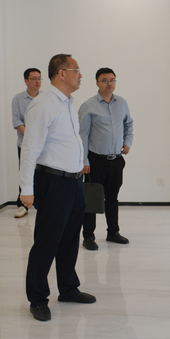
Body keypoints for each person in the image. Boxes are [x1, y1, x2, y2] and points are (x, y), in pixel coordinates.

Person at [19, 54, 95, 322]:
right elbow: (30, 149)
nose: (80, 75)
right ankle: (38, 298)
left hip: (74, 181)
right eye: (76, 70)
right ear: (61, 73)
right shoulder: (43, 104)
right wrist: (26, 188)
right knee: (47, 241)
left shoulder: (68, 102)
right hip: (53, 182)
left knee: (70, 238)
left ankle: (68, 288)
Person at [78, 67, 134, 250]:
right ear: (97, 83)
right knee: (91, 199)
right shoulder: (88, 106)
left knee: (112, 198)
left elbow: (129, 124)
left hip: (116, 160)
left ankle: (113, 232)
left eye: (112, 80)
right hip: (95, 161)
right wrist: (84, 161)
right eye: (104, 80)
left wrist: (127, 142)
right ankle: (88, 236)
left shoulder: (122, 103)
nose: (109, 84)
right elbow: (82, 135)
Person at [11, 67, 43, 218]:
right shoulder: (18, 99)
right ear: (26, 81)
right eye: (34, 79)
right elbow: (17, 122)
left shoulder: (45, 98)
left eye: (39, 78)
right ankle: (23, 205)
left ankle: (42, 203)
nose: (37, 82)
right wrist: (32, 137)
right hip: (25, 144)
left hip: (44, 145)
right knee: (25, 173)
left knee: (43, 174)